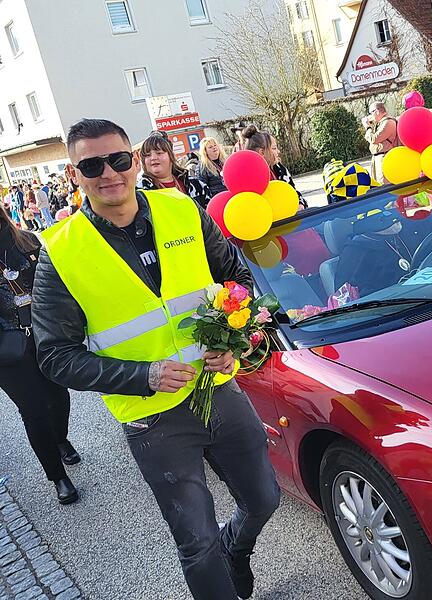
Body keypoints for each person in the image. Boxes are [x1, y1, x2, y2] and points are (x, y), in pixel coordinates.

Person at [33, 119, 280, 600]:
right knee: (196, 542)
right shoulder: (59, 253)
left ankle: (238, 547)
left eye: (119, 159)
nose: (109, 173)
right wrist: (143, 376)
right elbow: (55, 357)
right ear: (73, 173)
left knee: (264, 498)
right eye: (92, 164)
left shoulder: (182, 210)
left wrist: (232, 342)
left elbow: (239, 281)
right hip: (152, 419)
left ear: (135, 158)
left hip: (217, 390)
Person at [0, 207, 80, 504]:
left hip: (44, 335)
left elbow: (54, 284)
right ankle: (57, 475)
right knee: (33, 411)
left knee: (59, 395)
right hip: (7, 350)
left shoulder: (26, 241)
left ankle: (60, 438)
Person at [139, 131, 212, 208]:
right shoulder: (140, 194)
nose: (153, 158)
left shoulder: (196, 185)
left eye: (159, 153)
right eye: (147, 155)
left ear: (171, 156)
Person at [259, 129, 308, 210]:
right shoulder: (254, 176)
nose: (278, 151)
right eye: (274, 148)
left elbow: (294, 192)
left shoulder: (280, 169)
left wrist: (300, 204)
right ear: (262, 152)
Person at [363, 102, 399, 183]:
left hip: (384, 158)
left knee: (384, 186)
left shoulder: (388, 122)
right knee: (378, 184)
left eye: (371, 112)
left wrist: (368, 127)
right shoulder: (381, 123)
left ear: (377, 111)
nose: (370, 115)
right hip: (378, 158)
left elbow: (374, 139)